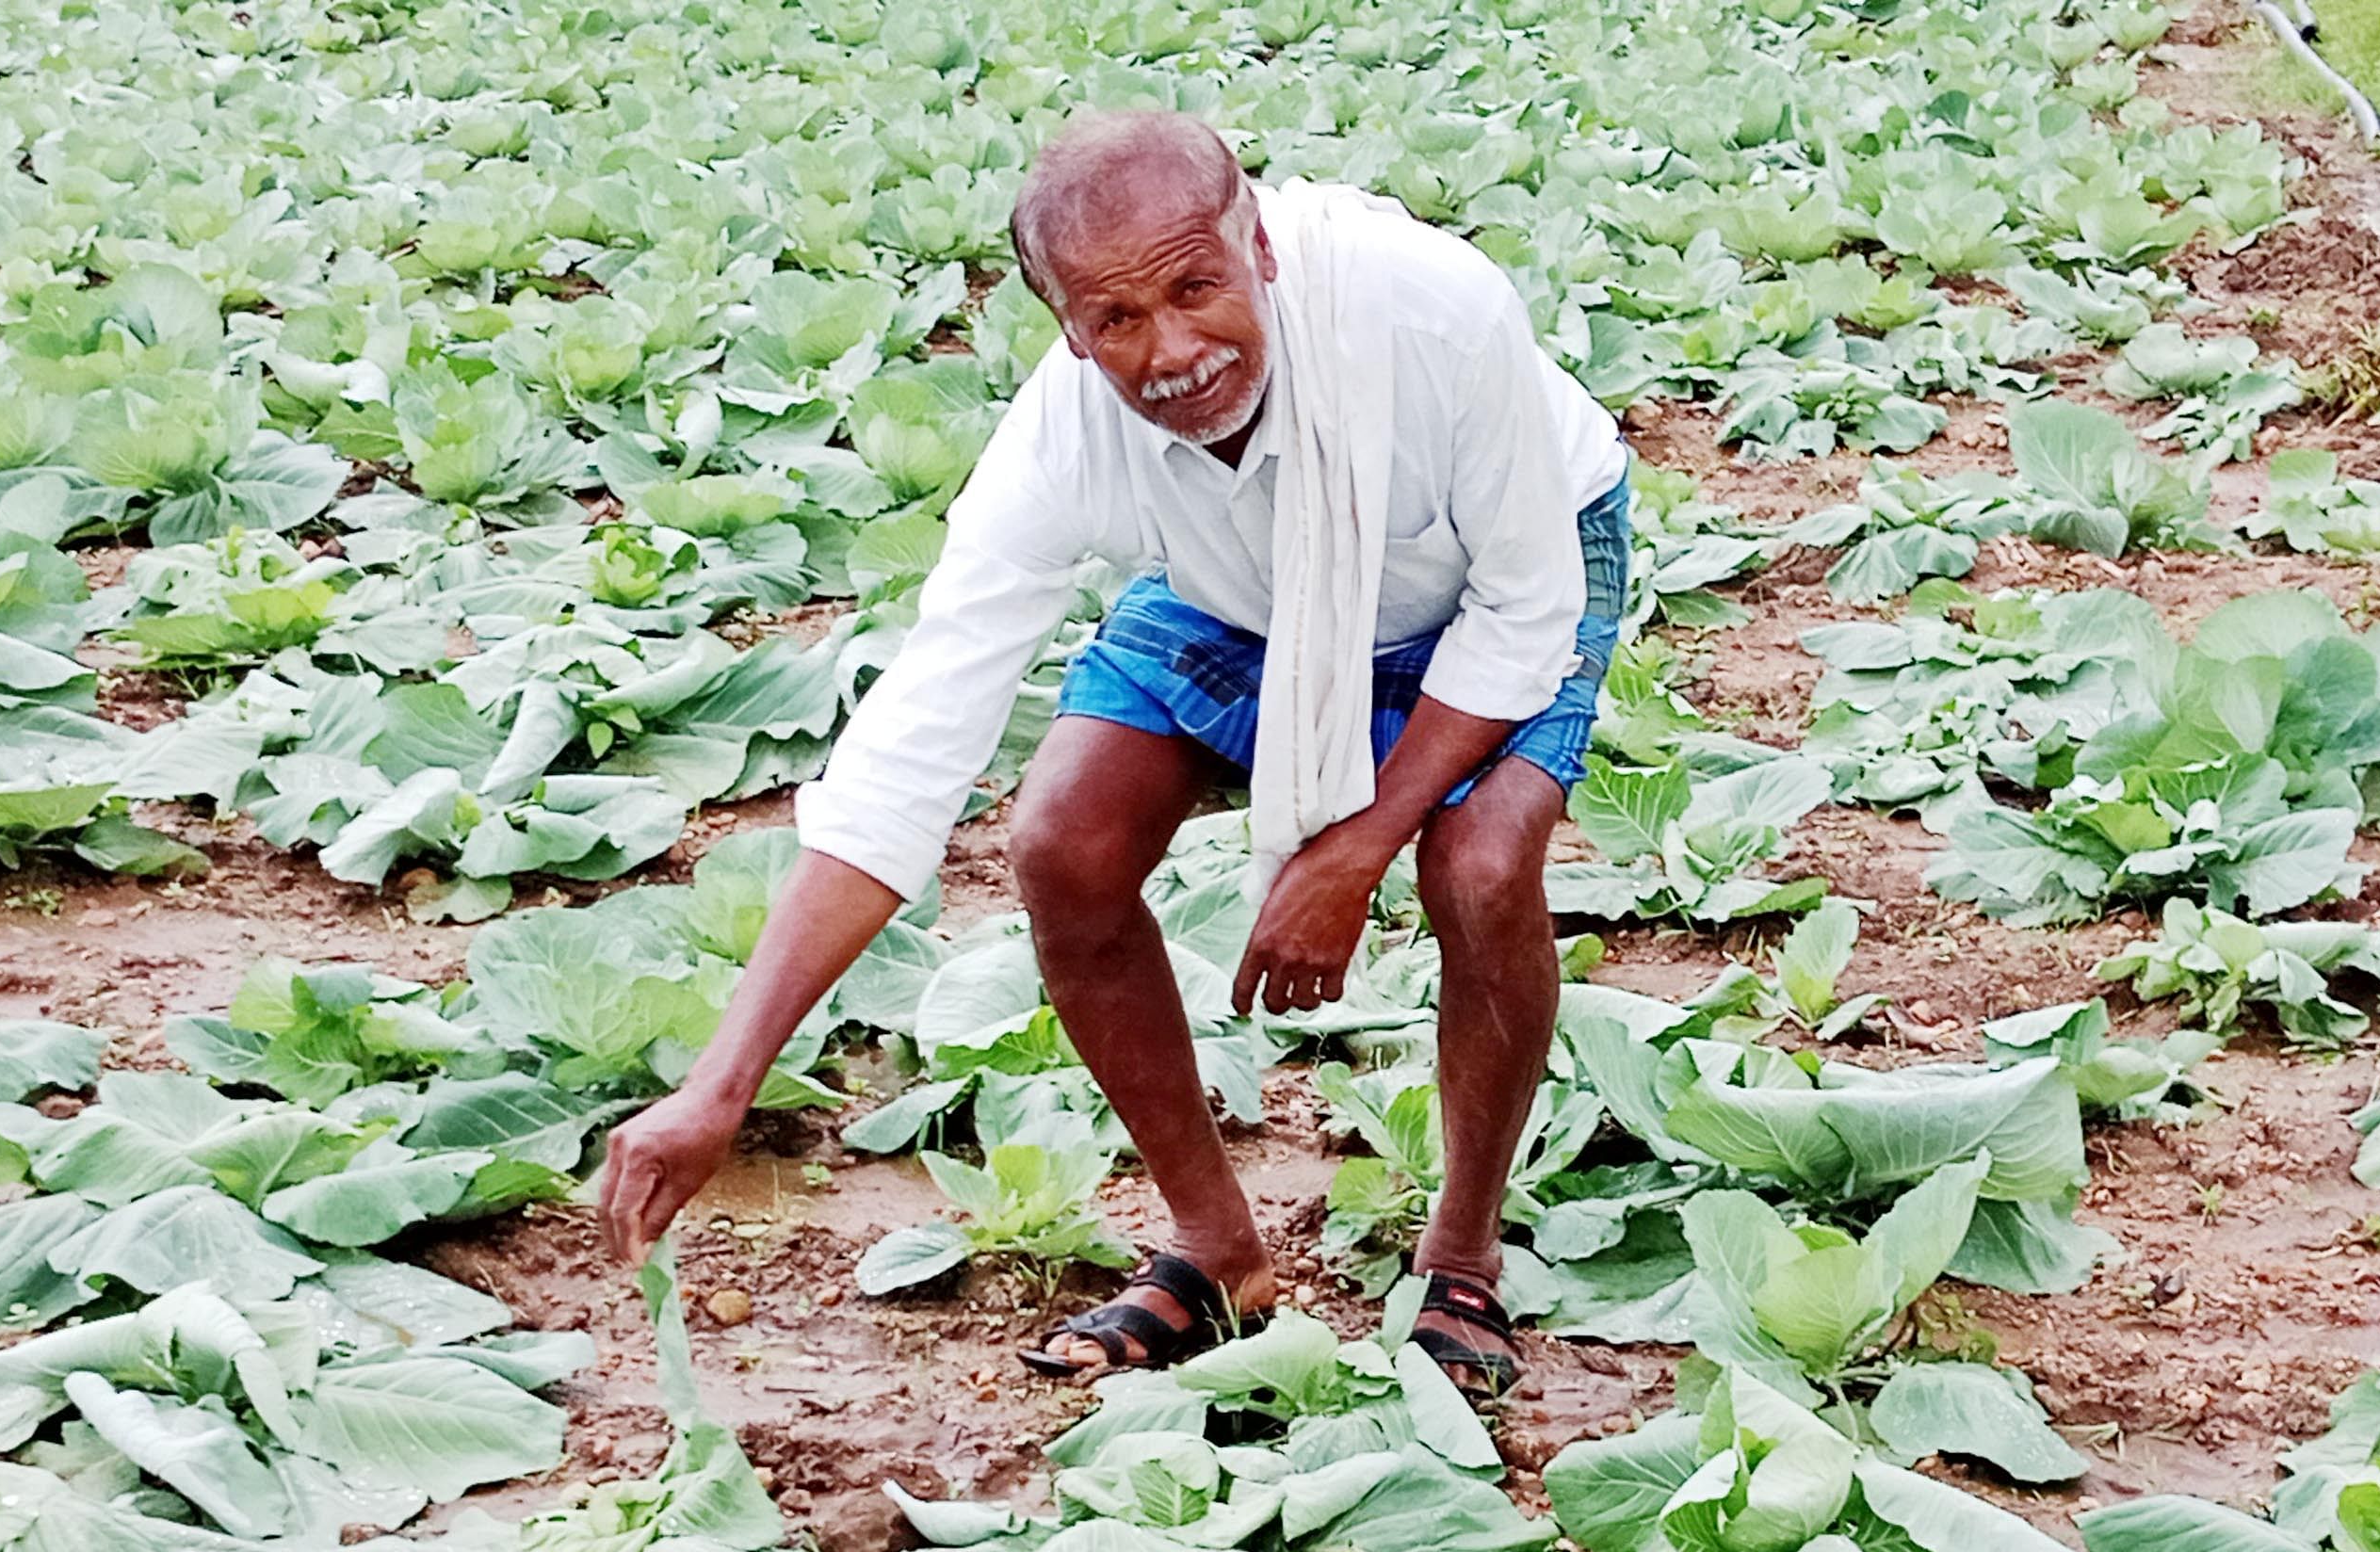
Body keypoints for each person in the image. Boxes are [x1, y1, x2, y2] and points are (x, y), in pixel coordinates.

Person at [590, 107, 1630, 1393]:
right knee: (1061, 844)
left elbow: (1527, 614)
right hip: (1236, 579)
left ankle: (1462, 1252)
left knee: (1477, 866)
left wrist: (1356, 850)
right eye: (1117, 321)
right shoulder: (1066, 438)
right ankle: (1214, 1247)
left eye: (1197, 287)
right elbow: (912, 745)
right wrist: (719, 1085)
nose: (1173, 351)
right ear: (1068, 329)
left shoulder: (1431, 316)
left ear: (1260, 244)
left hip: (1500, 560)